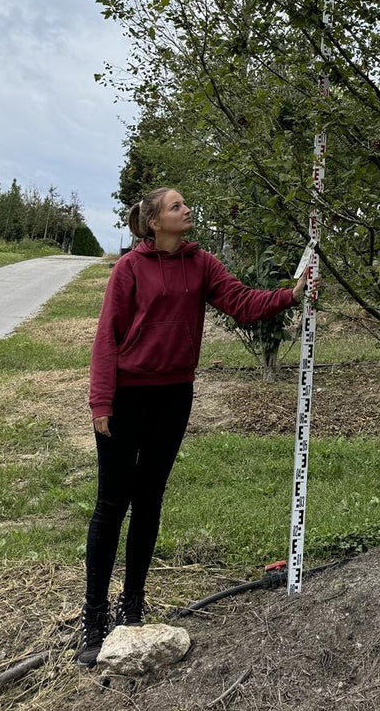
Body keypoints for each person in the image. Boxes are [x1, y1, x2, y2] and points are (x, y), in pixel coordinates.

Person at [78, 187, 307, 666]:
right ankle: (93, 619)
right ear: (155, 221)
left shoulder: (202, 264)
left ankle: (132, 609)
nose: (188, 211)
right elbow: (107, 336)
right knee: (111, 504)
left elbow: (242, 303)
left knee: (149, 499)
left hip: (173, 395)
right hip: (127, 395)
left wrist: (291, 294)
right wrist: (101, 400)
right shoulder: (129, 268)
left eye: (186, 205)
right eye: (177, 206)